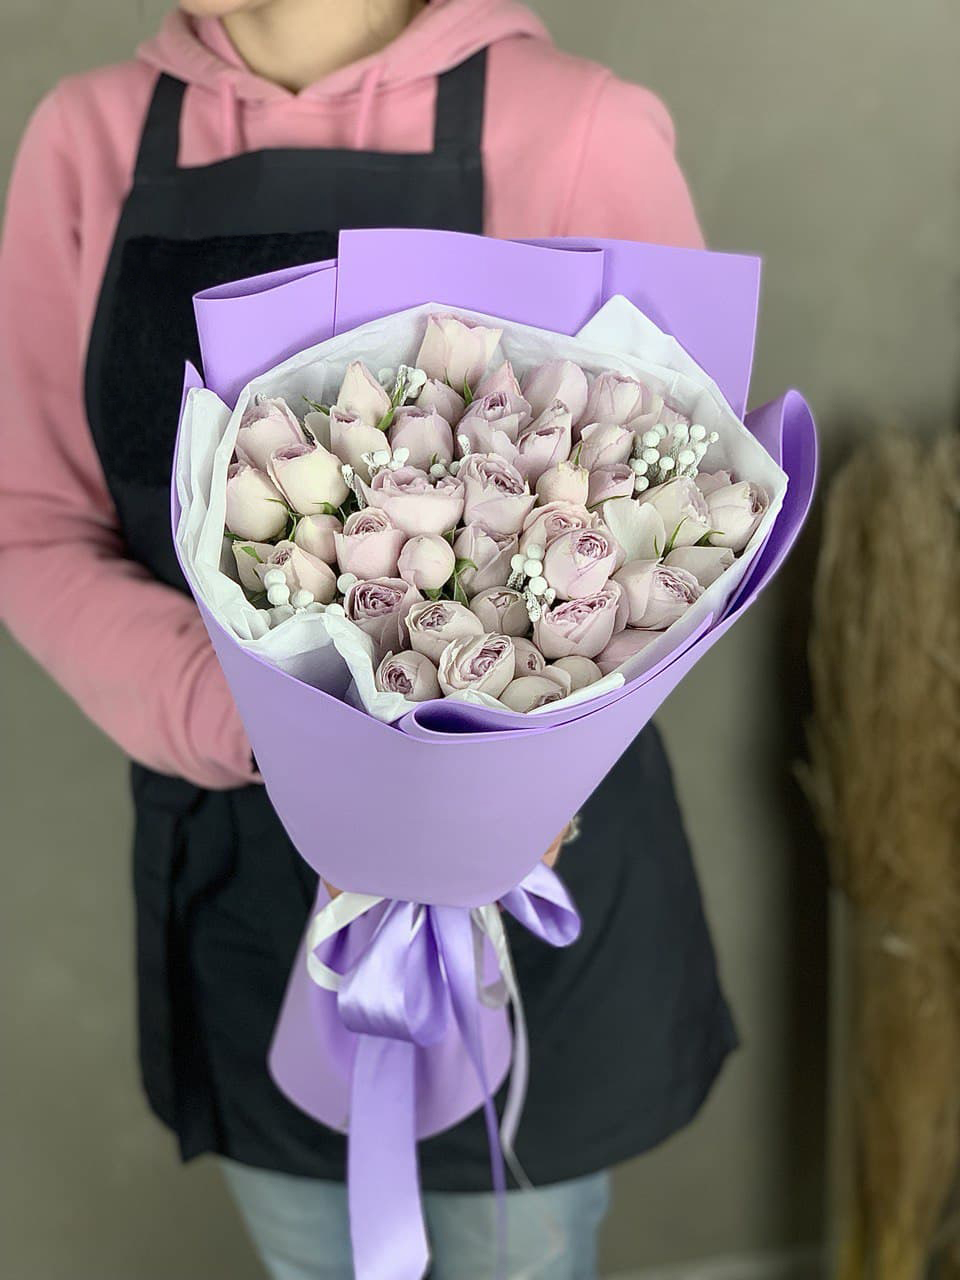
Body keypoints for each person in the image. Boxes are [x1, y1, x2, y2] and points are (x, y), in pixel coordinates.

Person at [0, 1, 738, 1276]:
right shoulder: (89, 138)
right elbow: (30, 519)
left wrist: (492, 773)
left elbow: (689, 521)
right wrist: (275, 728)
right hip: (236, 867)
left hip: (524, 870)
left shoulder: (578, 128)